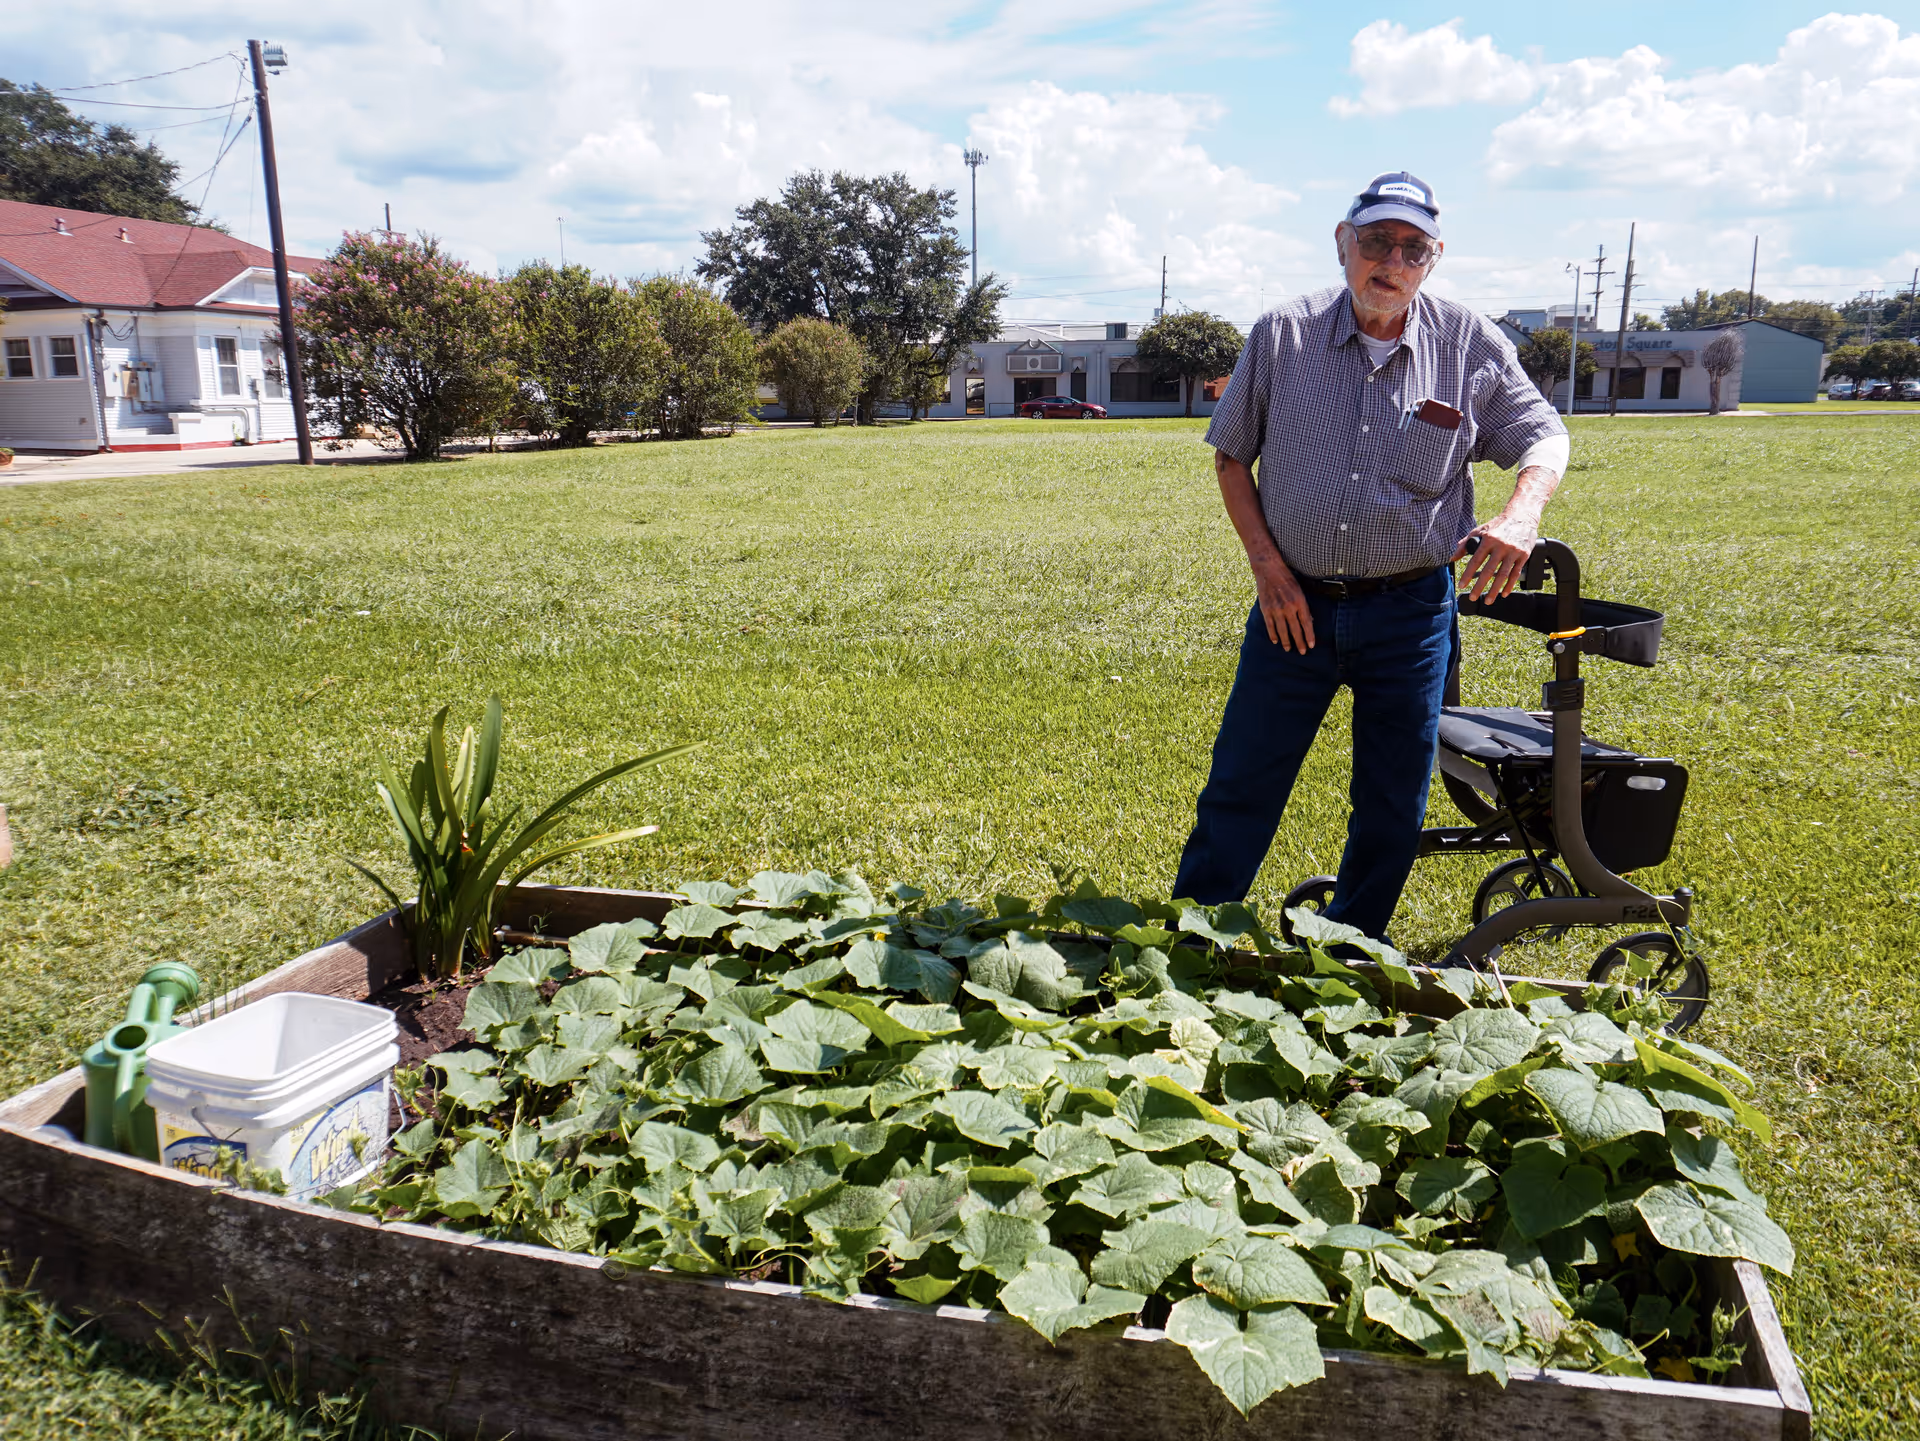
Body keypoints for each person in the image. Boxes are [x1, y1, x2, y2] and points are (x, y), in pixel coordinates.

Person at [1172, 171, 1570, 940]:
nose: (1392, 261)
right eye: (1376, 242)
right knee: (1243, 780)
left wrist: (1521, 516)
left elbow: (1545, 435)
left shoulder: (1470, 343)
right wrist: (1269, 571)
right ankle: (1192, 938)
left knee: (1393, 795)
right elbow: (1230, 456)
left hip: (1411, 611)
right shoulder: (1281, 336)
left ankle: (1353, 946)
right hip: (1295, 607)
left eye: (1412, 248)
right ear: (1342, 245)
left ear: (1434, 257)